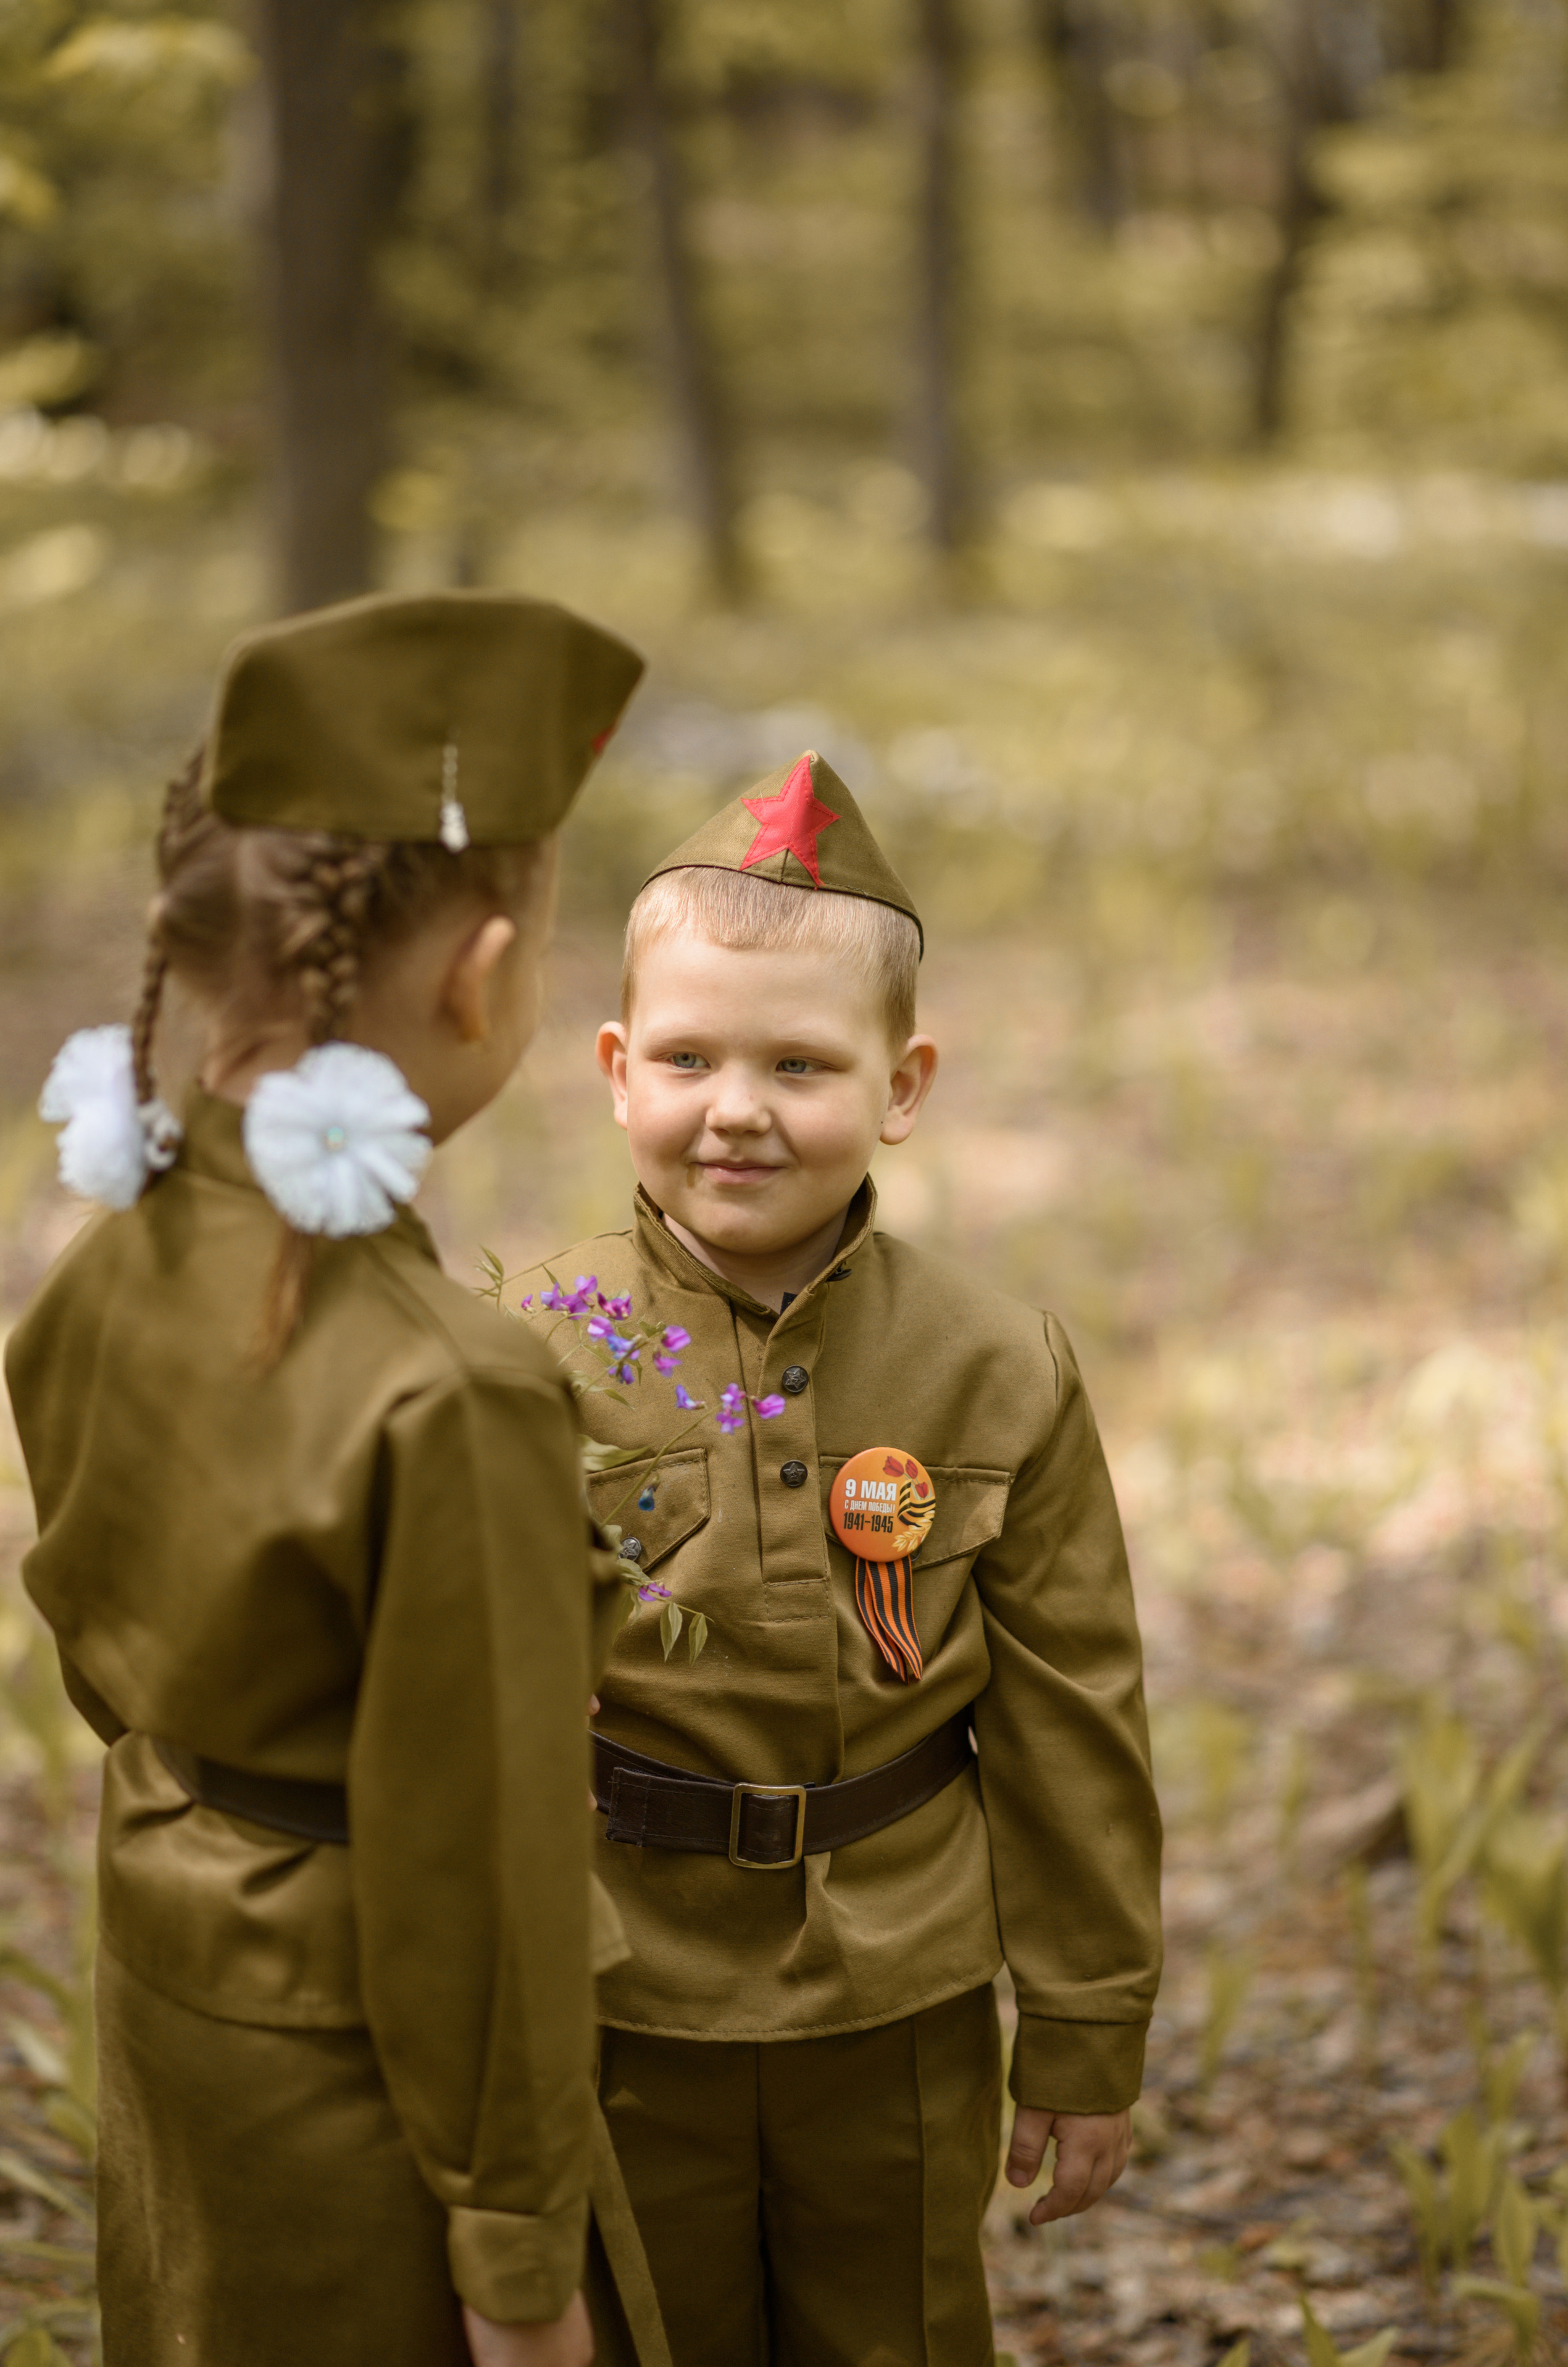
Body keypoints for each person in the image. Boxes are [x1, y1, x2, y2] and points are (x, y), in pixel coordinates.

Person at [4, 592, 671, 2367]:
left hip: (171, 1992)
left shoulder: (103, 1252)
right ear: (479, 974)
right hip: (383, 2088)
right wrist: (521, 2266)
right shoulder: (456, 1392)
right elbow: (493, 1873)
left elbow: (100, 1635)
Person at [522, 749, 1165, 2367]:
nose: (735, 1106)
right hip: (618, 1993)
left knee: (900, 2339)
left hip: (897, 1998)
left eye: (800, 1063)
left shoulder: (994, 1365)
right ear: (614, 1068)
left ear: (904, 1081)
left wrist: (1086, 2027)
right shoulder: (521, 1352)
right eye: (686, 1055)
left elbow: (1072, 1712)